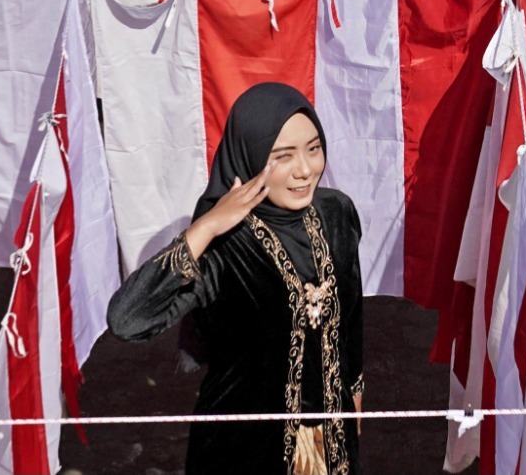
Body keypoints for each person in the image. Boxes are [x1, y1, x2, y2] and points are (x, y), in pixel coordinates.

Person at [108, 83, 365, 474]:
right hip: (242, 452)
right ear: (250, 156)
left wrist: (354, 404)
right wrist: (207, 227)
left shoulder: (336, 214)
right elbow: (127, 319)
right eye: (283, 156)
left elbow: (351, 324)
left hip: (333, 447)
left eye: (313, 148)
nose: (305, 170)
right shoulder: (227, 247)